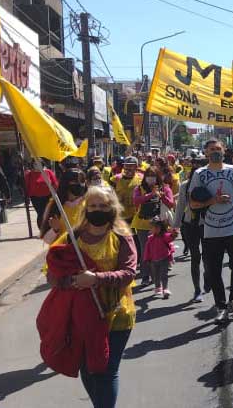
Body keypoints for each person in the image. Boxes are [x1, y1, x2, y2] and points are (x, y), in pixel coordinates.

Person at [44, 185, 136, 408]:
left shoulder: (122, 236)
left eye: (103, 205)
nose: (97, 209)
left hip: (116, 314)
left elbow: (128, 273)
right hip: (82, 316)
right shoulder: (73, 237)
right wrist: (72, 281)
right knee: (87, 368)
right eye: (93, 205)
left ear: (112, 208)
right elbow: (52, 274)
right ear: (86, 208)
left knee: (105, 369)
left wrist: (96, 278)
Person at [189, 139, 233, 323]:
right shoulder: (200, 174)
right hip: (211, 229)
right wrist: (212, 201)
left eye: (218, 148)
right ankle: (221, 306)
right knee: (214, 270)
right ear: (206, 152)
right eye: (212, 149)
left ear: (224, 150)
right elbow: (193, 203)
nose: (216, 151)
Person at [173, 155, 209, 302]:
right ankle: (197, 289)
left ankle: (208, 277)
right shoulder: (185, 185)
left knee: (208, 256)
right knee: (195, 257)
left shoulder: (209, 185)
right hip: (190, 224)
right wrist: (175, 225)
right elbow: (180, 206)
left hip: (207, 224)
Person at [131, 167, 174, 285]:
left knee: (159, 251)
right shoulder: (139, 188)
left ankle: (157, 275)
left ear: (158, 177)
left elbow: (171, 204)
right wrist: (151, 195)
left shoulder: (165, 188)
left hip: (159, 225)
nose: (151, 178)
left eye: (153, 175)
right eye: (148, 175)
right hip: (142, 224)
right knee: (145, 250)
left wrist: (162, 196)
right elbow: (136, 201)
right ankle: (145, 276)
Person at [40, 169, 87, 245]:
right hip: (61, 253)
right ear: (66, 183)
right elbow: (46, 240)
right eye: (75, 181)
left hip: (83, 252)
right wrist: (55, 230)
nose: (80, 184)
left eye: (82, 181)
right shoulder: (55, 205)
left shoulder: (89, 204)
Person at [143, 216, 176, 299]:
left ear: (161, 228)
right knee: (156, 275)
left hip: (164, 259)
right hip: (153, 261)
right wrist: (146, 259)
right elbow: (147, 250)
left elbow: (170, 237)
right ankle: (158, 287)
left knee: (164, 275)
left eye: (157, 227)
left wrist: (174, 233)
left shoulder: (164, 236)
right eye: (153, 227)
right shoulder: (150, 239)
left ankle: (165, 289)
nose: (155, 229)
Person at [24, 159, 58, 228]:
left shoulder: (48, 172)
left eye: (39, 164)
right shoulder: (29, 174)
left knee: (48, 213)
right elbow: (26, 186)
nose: (37, 166)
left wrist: (55, 194)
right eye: (35, 164)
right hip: (35, 197)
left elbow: (55, 183)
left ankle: (48, 228)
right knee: (41, 213)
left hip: (48, 196)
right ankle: (42, 229)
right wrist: (26, 197)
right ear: (33, 165)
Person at [110, 157, 142, 228]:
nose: (128, 168)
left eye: (131, 165)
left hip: (135, 216)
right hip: (120, 215)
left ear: (136, 166)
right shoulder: (116, 178)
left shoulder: (141, 179)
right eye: (126, 165)